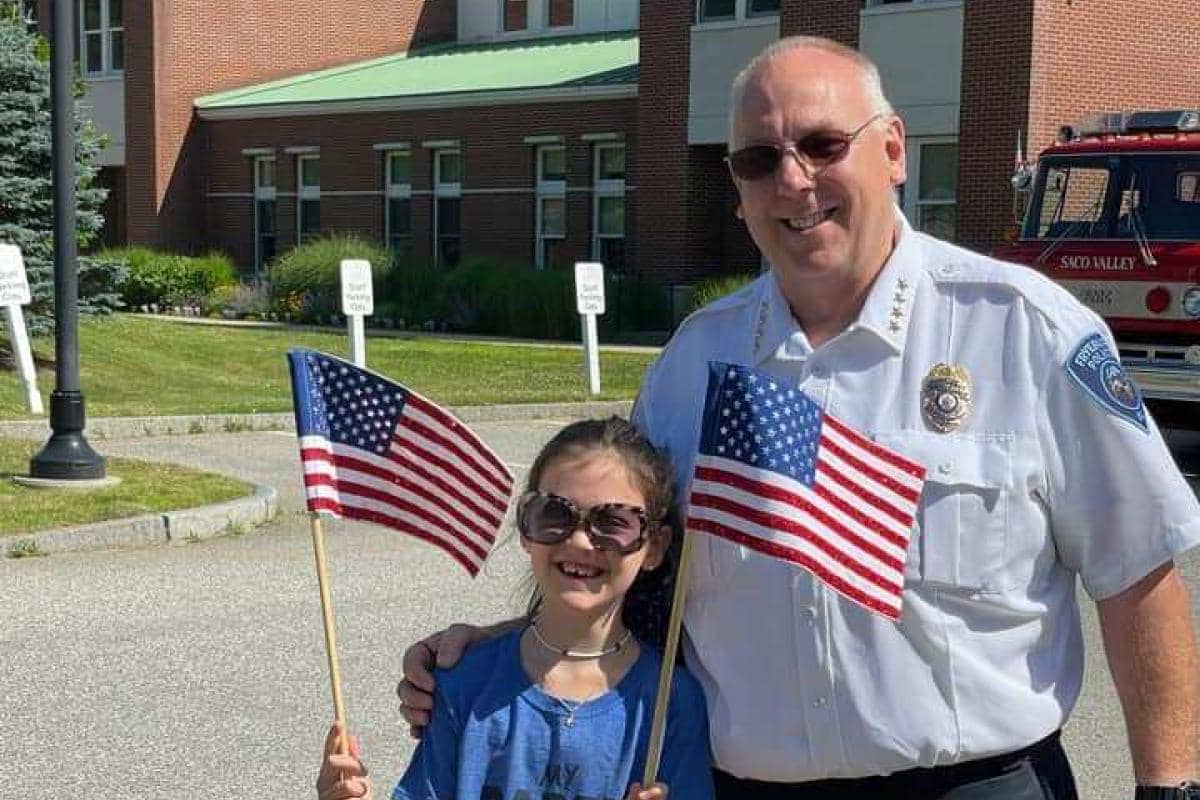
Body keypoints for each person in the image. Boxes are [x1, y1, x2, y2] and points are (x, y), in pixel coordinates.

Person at [396, 36, 1200, 800]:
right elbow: (626, 559)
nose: (793, 180)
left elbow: (1137, 573)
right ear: (738, 187)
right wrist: (505, 648)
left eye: (822, 145)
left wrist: (1170, 786)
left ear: (892, 151)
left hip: (975, 781)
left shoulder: (1023, 328)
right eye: (758, 159)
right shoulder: (693, 364)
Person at [317, 417, 716, 800]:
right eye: (554, 514)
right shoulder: (466, 682)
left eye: (613, 522)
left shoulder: (671, 702)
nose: (579, 541)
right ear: (525, 525)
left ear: (656, 546)